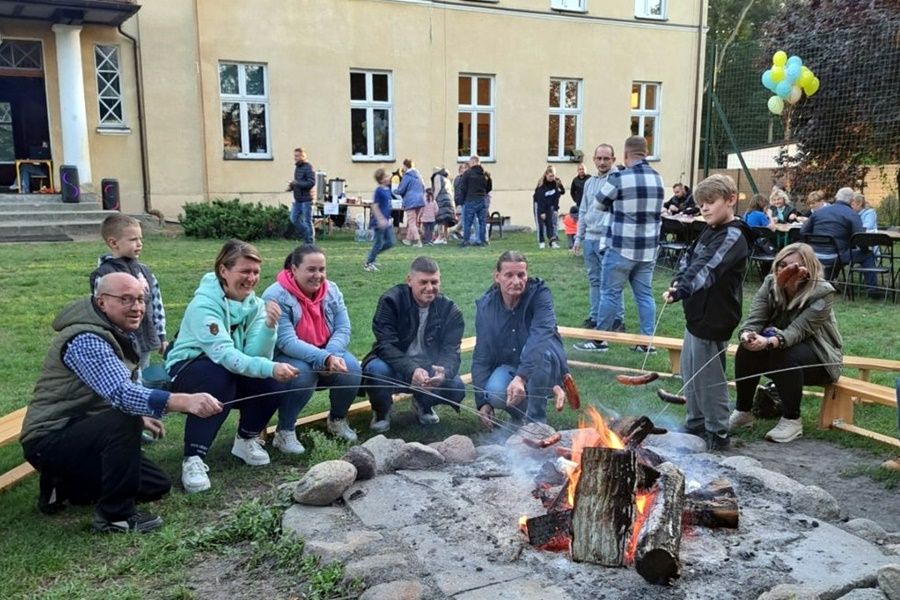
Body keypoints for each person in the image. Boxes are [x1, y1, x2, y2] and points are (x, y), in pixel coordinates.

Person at [20, 273, 223, 533]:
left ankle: (63, 485)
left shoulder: (116, 329)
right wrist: (182, 401)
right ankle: (114, 517)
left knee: (155, 484)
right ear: (102, 302)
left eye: (141, 299)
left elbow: (117, 389)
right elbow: (122, 394)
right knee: (123, 418)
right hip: (49, 438)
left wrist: (141, 414)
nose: (137, 307)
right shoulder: (86, 338)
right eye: (126, 299)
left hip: (83, 429)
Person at [166, 240, 300, 494]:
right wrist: (269, 367)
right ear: (223, 271)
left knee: (271, 382)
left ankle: (246, 439)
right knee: (218, 380)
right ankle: (193, 457)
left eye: (256, 272)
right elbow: (225, 356)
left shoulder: (256, 305)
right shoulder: (204, 305)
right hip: (188, 368)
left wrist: (269, 328)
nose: (251, 278)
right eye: (245, 271)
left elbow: (254, 355)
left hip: (230, 367)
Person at [662, 174, 751, 450]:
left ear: (731, 199)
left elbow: (709, 266)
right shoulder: (710, 229)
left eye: (711, 202)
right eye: (701, 204)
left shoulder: (734, 235)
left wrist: (683, 289)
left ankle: (717, 432)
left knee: (708, 376)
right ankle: (696, 421)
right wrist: (678, 281)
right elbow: (692, 258)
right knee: (690, 369)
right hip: (696, 314)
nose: (705, 208)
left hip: (716, 316)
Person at [729, 243, 843, 443]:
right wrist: (748, 335)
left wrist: (770, 341)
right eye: (782, 264)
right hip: (779, 350)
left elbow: (798, 330)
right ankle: (743, 412)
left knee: (784, 352)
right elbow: (755, 317)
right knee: (746, 348)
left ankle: (792, 420)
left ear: (808, 269)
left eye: (793, 266)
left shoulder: (823, 293)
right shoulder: (770, 283)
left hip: (821, 358)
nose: (785, 269)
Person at [262, 245, 361, 453]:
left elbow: (343, 327)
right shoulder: (275, 295)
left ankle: (337, 419)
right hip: (288, 355)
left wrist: (331, 354)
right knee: (302, 373)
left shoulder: (332, 290)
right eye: (311, 269)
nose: (318, 275)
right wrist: (324, 358)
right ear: (294, 269)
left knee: (351, 368)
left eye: (322, 269)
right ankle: (285, 431)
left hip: (326, 350)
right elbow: (286, 341)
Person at [362, 256, 466, 432]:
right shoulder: (391, 301)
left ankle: (423, 403)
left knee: (456, 386)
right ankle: (381, 411)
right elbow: (384, 345)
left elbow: (452, 352)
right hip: (393, 364)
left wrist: (444, 371)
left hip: (428, 366)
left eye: (434, 282)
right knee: (376, 371)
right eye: (423, 282)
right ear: (409, 280)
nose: (430, 288)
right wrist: (412, 369)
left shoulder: (450, 310)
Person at [472, 251, 571, 428]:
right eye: (509, 275)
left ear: (527, 275)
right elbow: (481, 355)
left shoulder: (540, 295)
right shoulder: (487, 306)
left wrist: (521, 378)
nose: (516, 281)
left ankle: (537, 423)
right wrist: (482, 402)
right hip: (512, 367)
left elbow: (540, 338)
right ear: (497, 277)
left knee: (537, 350)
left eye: (521, 275)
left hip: (547, 365)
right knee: (494, 392)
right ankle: (520, 416)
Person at [592, 136, 665, 352]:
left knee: (609, 293)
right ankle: (646, 342)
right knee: (644, 295)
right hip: (648, 249)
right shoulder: (658, 178)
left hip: (621, 247)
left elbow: (598, 203)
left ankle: (600, 340)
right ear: (646, 152)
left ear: (625, 155)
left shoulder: (619, 177)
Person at [90, 214, 167, 375]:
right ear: (113, 243)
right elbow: (101, 311)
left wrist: (161, 335)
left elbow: (156, 304)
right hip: (119, 343)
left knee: (141, 377)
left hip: (144, 338)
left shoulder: (144, 271)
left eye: (140, 239)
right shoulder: (103, 274)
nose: (139, 244)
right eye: (133, 240)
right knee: (122, 378)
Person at [572, 143, 625, 338]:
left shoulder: (617, 180)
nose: (602, 162)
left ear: (613, 159)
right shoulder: (589, 182)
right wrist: (579, 237)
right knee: (594, 280)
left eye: (606, 159)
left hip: (608, 239)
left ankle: (617, 319)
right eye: (599, 158)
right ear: (594, 159)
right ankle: (594, 317)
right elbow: (584, 210)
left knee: (611, 282)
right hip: (590, 239)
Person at [800, 186, 865, 279]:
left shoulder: (818, 212)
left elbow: (803, 231)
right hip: (837, 255)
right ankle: (872, 289)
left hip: (814, 254)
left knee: (838, 252)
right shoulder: (852, 214)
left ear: (836, 197)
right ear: (851, 200)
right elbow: (860, 237)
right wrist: (864, 248)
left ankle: (828, 280)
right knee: (868, 254)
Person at [364, 168, 396, 272]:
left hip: (387, 221)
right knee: (378, 243)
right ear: (381, 180)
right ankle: (368, 263)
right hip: (379, 222)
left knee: (391, 242)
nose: (389, 177)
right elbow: (375, 206)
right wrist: (380, 219)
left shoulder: (388, 189)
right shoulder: (379, 190)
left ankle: (371, 256)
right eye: (386, 176)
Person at [458, 155, 492, 247]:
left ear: (472, 162)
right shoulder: (485, 174)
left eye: (470, 162)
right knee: (482, 222)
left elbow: (463, 188)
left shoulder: (467, 173)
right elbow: (489, 188)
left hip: (470, 199)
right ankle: (482, 241)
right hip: (482, 199)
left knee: (467, 222)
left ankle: (466, 241)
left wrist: (462, 200)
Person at [287, 147, 316, 244]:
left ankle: (310, 242)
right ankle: (307, 234)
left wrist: (296, 183)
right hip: (298, 199)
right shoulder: (298, 167)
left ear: (303, 156)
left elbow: (311, 182)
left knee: (307, 221)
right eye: (294, 156)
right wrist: (291, 186)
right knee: (293, 219)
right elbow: (299, 182)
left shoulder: (308, 167)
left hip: (306, 199)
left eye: (297, 156)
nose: (295, 158)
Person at [533, 165, 565, 249]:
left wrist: (555, 209)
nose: (552, 178)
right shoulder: (541, 185)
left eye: (553, 176)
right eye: (550, 176)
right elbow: (540, 200)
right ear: (546, 175)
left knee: (550, 223)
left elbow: (556, 197)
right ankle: (541, 242)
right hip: (539, 205)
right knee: (541, 224)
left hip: (549, 204)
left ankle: (552, 242)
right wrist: (542, 212)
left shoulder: (555, 183)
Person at [396, 158, 426, 247]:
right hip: (420, 200)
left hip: (411, 201)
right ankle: (408, 240)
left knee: (411, 222)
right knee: (413, 221)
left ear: (405, 166)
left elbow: (401, 189)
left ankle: (418, 241)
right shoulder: (419, 175)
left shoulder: (407, 176)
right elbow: (423, 187)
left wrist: (395, 191)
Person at [432, 167, 456, 244]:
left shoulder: (437, 176)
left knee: (440, 219)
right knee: (446, 219)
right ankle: (445, 238)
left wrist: (433, 199)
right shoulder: (447, 179)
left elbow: (438, 188)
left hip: (441, 200)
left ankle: (440, 237)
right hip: (449, 200)